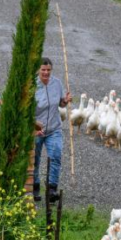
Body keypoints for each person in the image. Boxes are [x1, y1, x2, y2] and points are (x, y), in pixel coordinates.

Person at [33, 57, 72, 202]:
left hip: (54, 128)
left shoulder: (57, 83)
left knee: (55, 156)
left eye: (48, 70)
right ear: (38, 70)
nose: (46, 73)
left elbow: (61, 104)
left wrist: (65, 101)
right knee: (35, 159)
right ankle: (34, 188)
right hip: (36, 129)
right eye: (43, 70)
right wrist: (33, 128)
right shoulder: (32, 85)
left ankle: (51, 189)